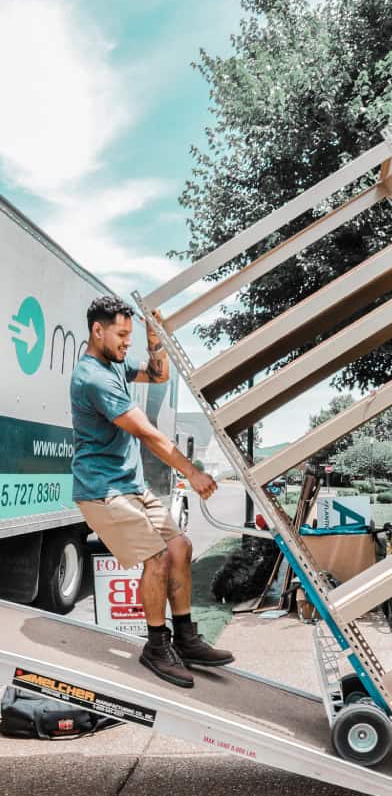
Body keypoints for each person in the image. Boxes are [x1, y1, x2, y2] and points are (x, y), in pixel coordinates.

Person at [71, 294, 234, 688]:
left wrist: (151, 337)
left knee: (181, 548)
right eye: (122, 334)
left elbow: (159, 375)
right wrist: (192, 472)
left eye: (130, 334)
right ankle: (157, 646)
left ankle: (186, 637)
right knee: (158, 558)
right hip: (102, 490)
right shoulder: (92, 377)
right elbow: (147, 433)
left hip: (130, 485)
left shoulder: (115, 365)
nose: (127, 342)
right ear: (98, 330)